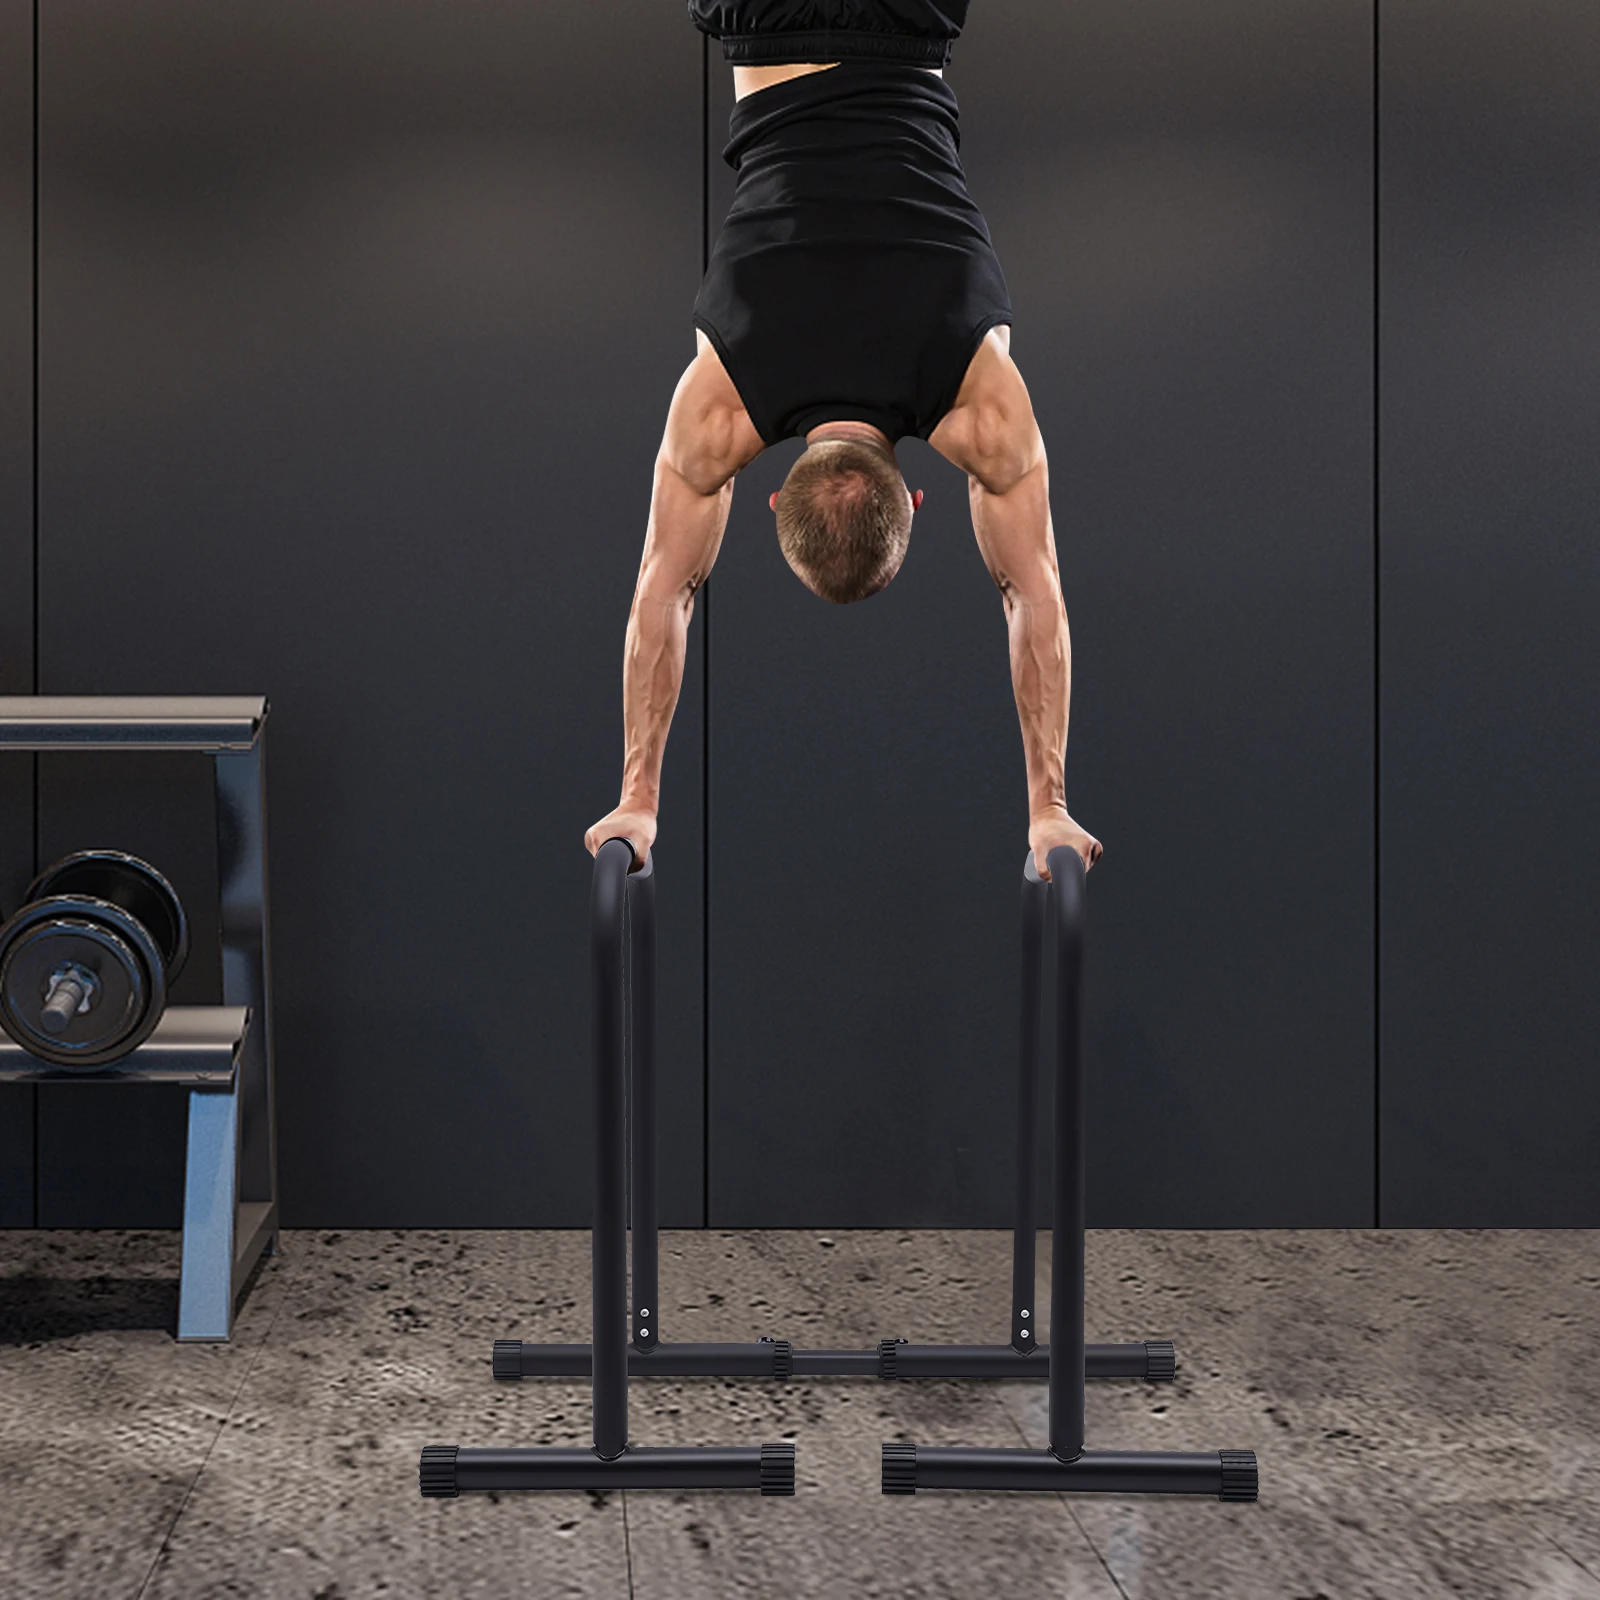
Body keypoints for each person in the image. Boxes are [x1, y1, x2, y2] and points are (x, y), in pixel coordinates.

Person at [586, 1, 1101, 882]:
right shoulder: (724, 409)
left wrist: (1049, 808)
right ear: (775, 498)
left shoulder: (978, 404)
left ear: (917, 498)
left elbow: (1034, 596)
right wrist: (637, 798)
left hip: (904, 26)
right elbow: (662, 595)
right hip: (771, 22)